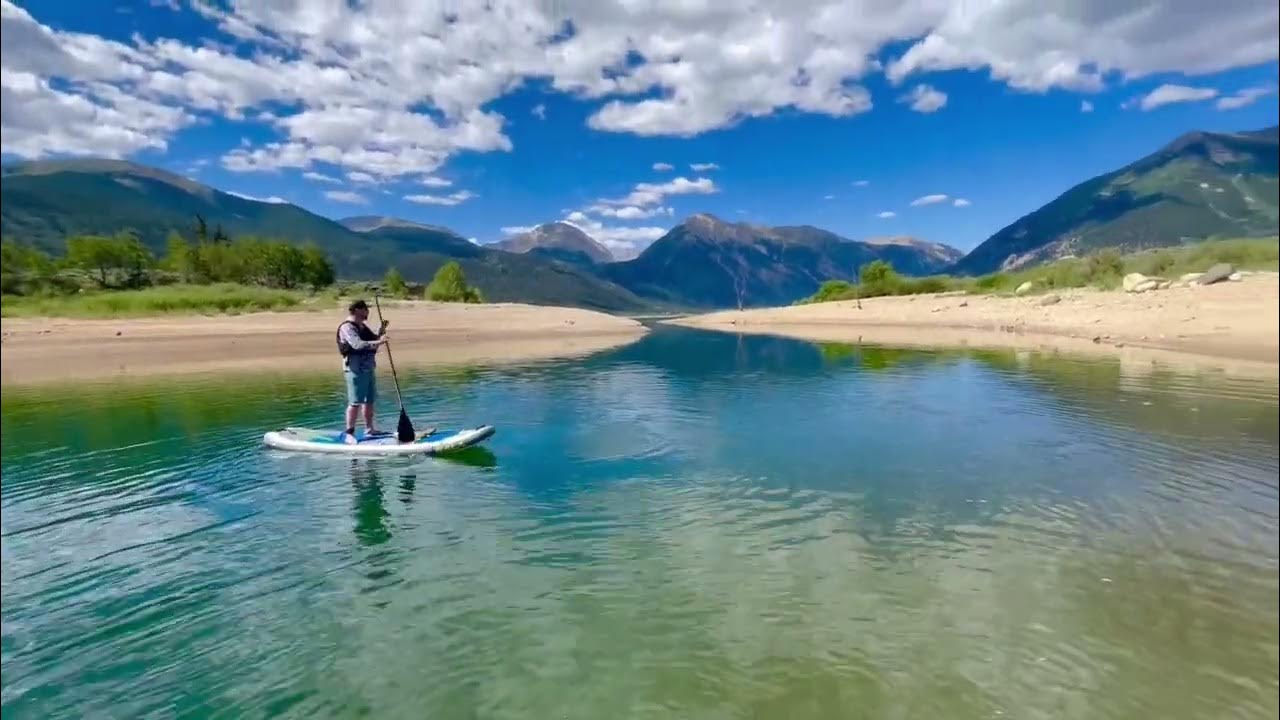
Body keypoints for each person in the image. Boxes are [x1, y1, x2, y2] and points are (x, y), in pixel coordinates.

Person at [336, 299, 389, 443]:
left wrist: (381, 332)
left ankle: (369, 429)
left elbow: (373, 341)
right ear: (358, 310)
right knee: (355, 402)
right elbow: (357, 345)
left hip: (368, 367)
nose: (367, 312)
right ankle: (349, 432)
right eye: (365, 309)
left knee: (369, 400)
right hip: (355, 369)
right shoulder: (347, 327)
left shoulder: (362, 326)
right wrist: (379, 341)